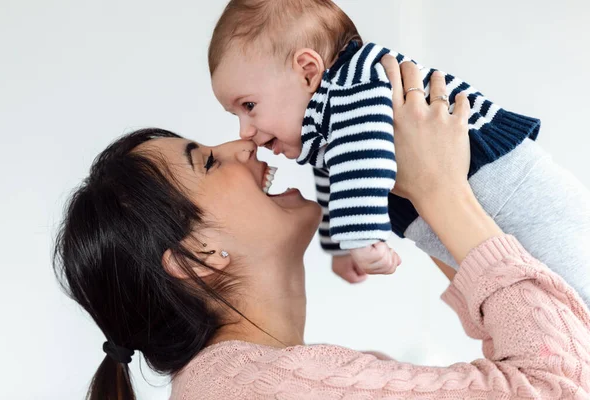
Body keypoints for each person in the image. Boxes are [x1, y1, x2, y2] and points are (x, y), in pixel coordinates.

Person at [53, 57, 590, 399]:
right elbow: (561, 386)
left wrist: (424, 207)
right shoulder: (267, 389)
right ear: (197, 253)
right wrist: (442, 194)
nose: (243, 144)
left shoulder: (251, 382)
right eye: (209, 163)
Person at [208, 0, 590, 305]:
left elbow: (361, 156)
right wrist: (339, 245)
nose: (246, 131)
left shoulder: (353, 84)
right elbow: (338, 176)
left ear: (308, 71)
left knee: (575, 298)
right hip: (487, 220)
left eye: (249, 106)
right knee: (551, 312)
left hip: (519, 197)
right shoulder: (327, 123)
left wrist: (359, 238)